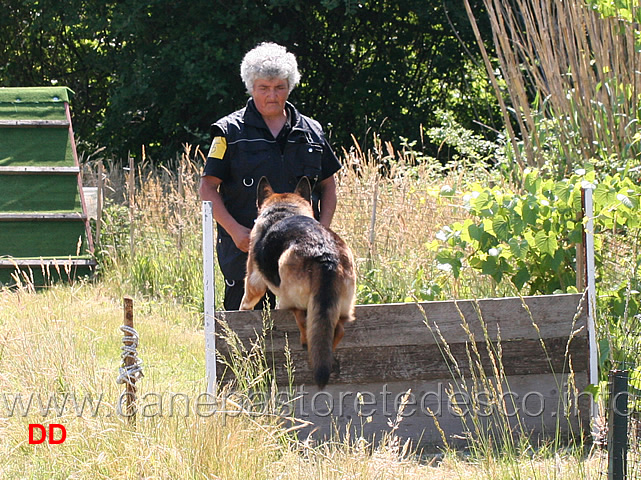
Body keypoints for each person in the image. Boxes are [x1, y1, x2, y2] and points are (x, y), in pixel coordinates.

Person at [199, 42, 343, 311]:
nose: (272, 96)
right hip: (245, 248)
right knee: (243, 323)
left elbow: (328, 186)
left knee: (299, 323)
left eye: (279, 87)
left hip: (302, 253)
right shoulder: (228, 132)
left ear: (289, 86)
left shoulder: (312, 132)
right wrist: (235, 231)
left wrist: (322, 231)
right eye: (263, 88)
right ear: (251, 87)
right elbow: (207, 188)